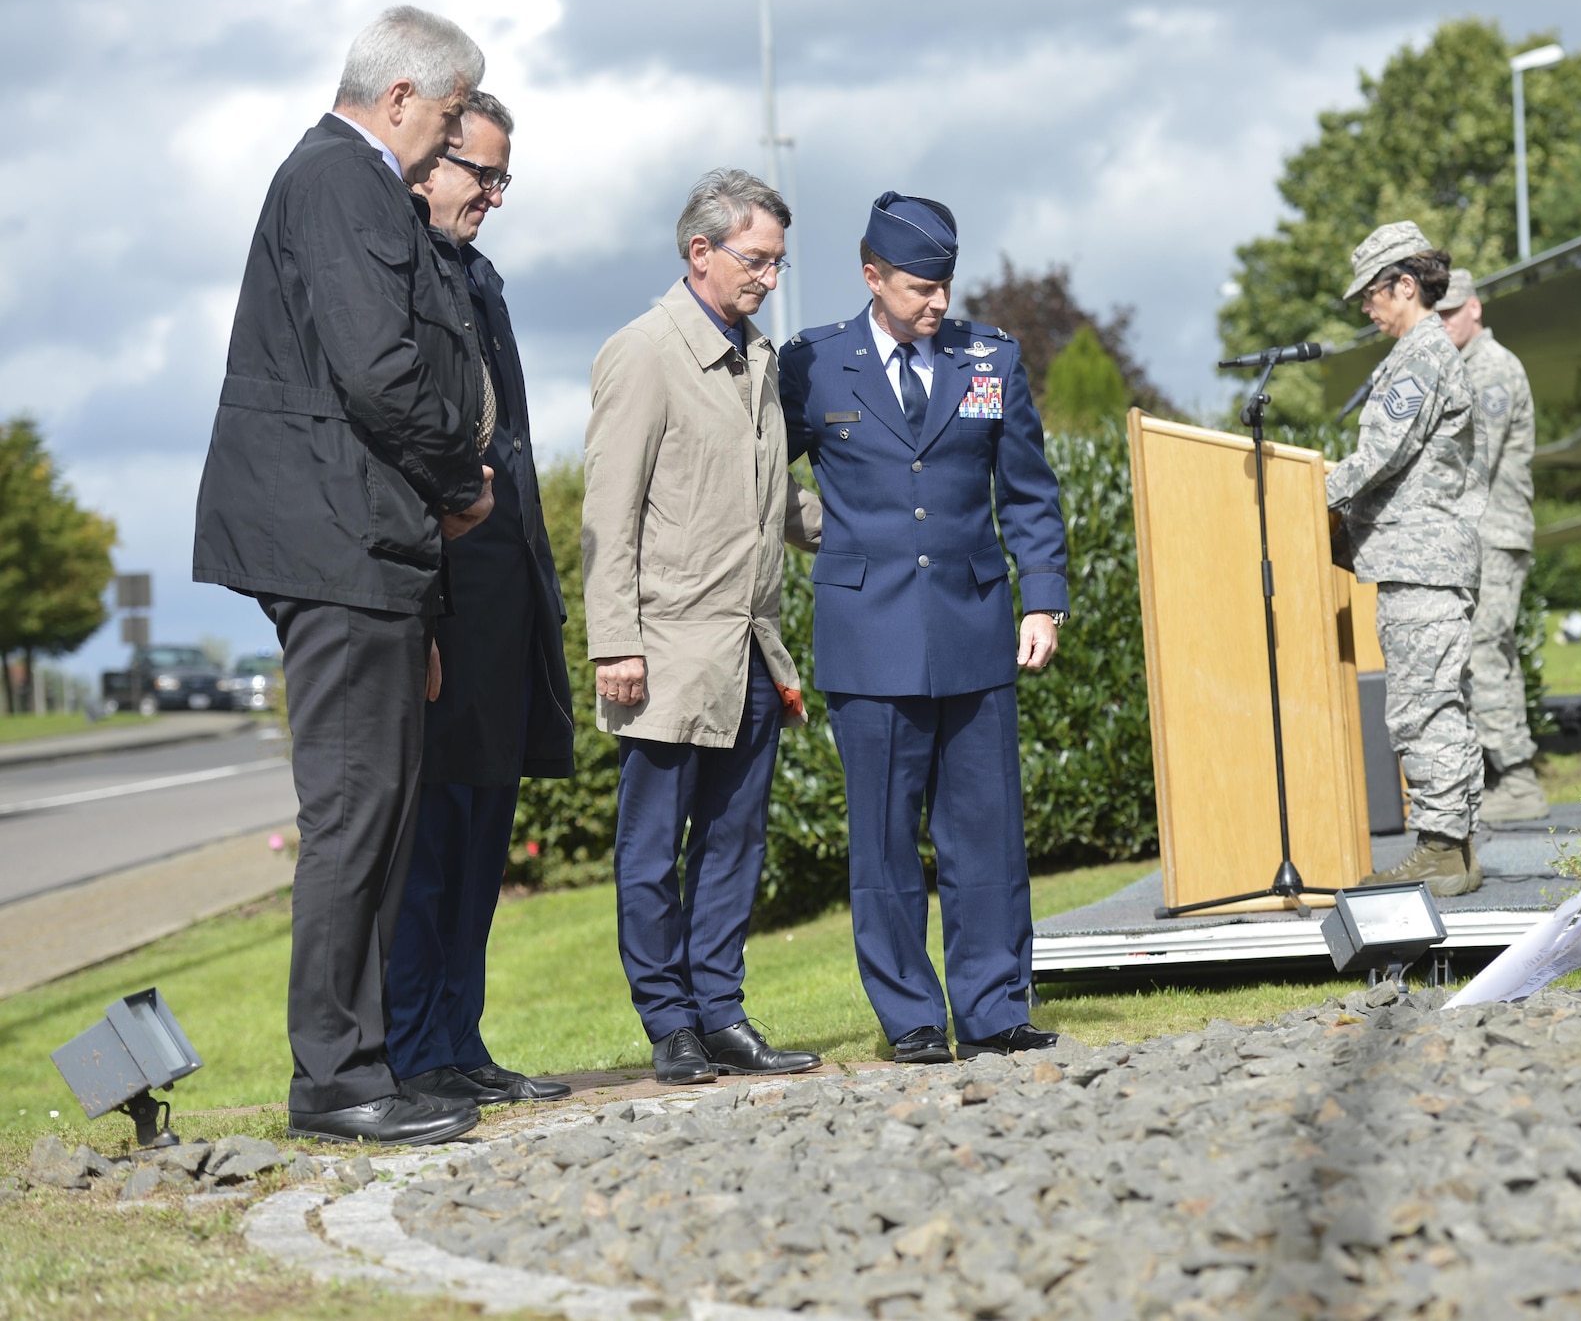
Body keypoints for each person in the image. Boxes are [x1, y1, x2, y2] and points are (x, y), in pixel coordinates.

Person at [192, 6, 496, 1145]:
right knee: (355, 810)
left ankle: (359, 1063)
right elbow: (378, 369)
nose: (455, 138)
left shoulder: (352, 182)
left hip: (361, 540)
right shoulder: (339, 178)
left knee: (381, 808)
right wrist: (457, 474)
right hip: (335, 540)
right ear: (404, 96)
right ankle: (333, 1077)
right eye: (455, 112)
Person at [778, 192, 1068, 1064]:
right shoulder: (813, 364)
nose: (936, 302)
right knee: (883, 841)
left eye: (944, 284)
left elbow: (1027, 491)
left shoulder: (991, 358)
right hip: (866, 638)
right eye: (916, 287)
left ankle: (991, 1009)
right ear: (872, 276)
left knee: (985, 833)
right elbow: (754, 473)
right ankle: (909, 1016)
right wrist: (819, 533)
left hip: (976, 629)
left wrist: (1043, 599)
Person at [582, 169, 824, 1086]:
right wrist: (616, 642)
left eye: (777, 262)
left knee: (734, 844)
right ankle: (671, 1023)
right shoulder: (642, 353)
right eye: (757, 259)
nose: (769, 276)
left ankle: (721, 1013)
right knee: (652, 853)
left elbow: (773, 504)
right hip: (665, 654)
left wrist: (878, 525)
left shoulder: (761, 361)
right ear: (701, 252)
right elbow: (607, 510)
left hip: (754, 650)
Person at [384, 91, 576, 1108]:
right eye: (480, 174)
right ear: (426, 160)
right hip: (440, 596)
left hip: (502, 599)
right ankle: (412, 1050)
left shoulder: (478, 276)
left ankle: (458, 1038)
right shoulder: (398, 270)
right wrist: (418, 614)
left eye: (505, 178)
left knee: (479, 833)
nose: (494, 195)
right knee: (427, 843)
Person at [1328, 223, 1487, 898]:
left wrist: (1310, 489)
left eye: (1372, 294)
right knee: (1434, 702)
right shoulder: (1418, 353)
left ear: (1406, 285)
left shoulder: (1421, 355)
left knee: (1423, 707)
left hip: (1423, 564)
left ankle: (1441, 851)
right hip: (1417, 561)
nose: (1367, 308)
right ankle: (1452, 843)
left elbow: (1381, 455)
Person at [1437, 269, 1549, 823]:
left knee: (1484, 647)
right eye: (1434, 314)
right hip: (1477, 535)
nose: (1442, 322)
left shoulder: (1494, 368)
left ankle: (1517, 778)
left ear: (1475, 308)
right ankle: (1507, 775)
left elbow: (1472, 460)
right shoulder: (1462, 366)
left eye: (1451, 311)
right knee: (1489, 651)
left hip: (1495, 534)